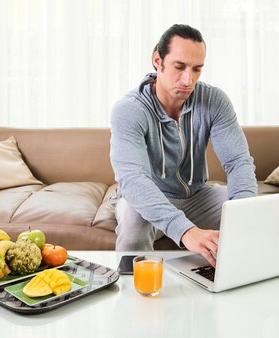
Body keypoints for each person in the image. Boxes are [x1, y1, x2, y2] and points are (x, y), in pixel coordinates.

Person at [109, 24, 257, 266]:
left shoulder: (214, 101)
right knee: (134, 227)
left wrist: (244, 212)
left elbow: (238, 162)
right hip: (148, 197)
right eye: (179, 67)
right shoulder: (129, 110)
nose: (189, 80)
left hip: (197, 196)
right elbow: (133, 179)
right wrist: (186, 231)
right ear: (158, 60)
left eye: (197, 69)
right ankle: (132, 294)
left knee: (252, 217)